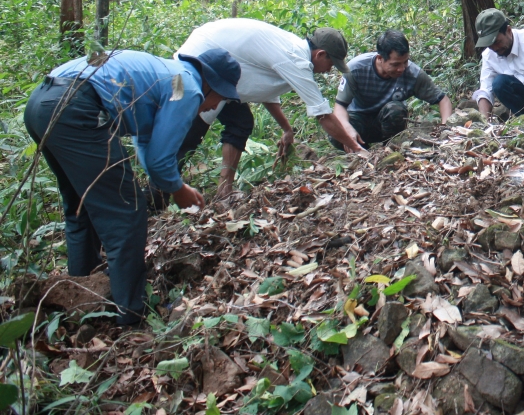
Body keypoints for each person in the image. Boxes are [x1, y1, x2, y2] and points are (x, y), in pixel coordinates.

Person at [23, 48, 241, 326]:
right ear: (210, 83)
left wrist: (172, 182)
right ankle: (130, 316)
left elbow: (148, 146)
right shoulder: (188, 88)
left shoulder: (174, 76)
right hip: (76, 108)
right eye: (220, 97)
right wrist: (179, 190)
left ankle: (84, 301)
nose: (214, 106)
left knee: (82, 208)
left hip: (41, 102)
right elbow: (161, 162)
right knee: (127, 213)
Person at [175, 19, 365, 198]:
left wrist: (287, 129)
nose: (329, 70)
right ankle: (158, 194)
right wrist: (356, 148)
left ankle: (224, 192)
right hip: (200, 61)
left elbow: (265, 91)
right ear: (320, 54)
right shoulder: (295, 60)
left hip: (215, 60)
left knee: (240, 122)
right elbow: (322, 114)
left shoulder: (291, 50)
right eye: (331, 64)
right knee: (188, 134)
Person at [331, 30, 452, 146]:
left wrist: (445, 128)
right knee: (335, 131)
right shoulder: (355, 69)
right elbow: (340, 106)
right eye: (395, 64)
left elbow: (443, 100)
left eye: (405, 62)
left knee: (395, 110)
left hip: (389, 124)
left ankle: (391, 147)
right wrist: (347, 129)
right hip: (359, 121)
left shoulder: (413, 73)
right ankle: (361, 150)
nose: (402, 68)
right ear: (380, 58)